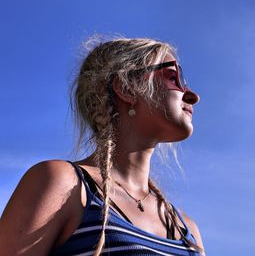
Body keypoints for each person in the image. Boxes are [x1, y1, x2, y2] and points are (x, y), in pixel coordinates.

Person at [0, 37, 205, 256]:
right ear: (126, 87)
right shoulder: (64, 185)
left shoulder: (187, 230)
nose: (193, 96)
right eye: (174, 77)